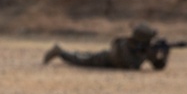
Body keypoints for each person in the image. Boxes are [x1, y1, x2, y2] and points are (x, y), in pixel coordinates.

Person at [43, 23, 175, 70]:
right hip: (105, 59)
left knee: (85, 55)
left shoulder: (143, 48)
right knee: (81, 59)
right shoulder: (124, 45)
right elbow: (130, 65)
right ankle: (60, 51)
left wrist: (163, 56)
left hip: (109, 60)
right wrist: (147, 54)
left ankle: (62, 51)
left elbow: (158, 67)